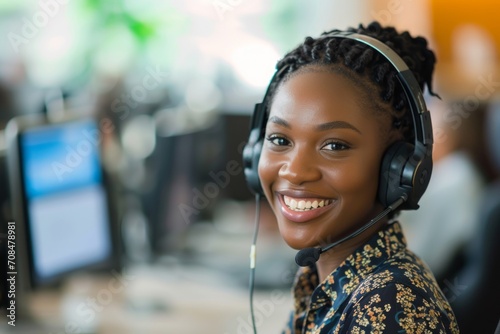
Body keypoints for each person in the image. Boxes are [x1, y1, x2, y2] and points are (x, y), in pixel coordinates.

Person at [247, 21, 459, 333]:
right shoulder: (328, 279)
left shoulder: (390, 304)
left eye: (334, 145)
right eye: (280, 140)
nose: (295, 170)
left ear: (398, 168)